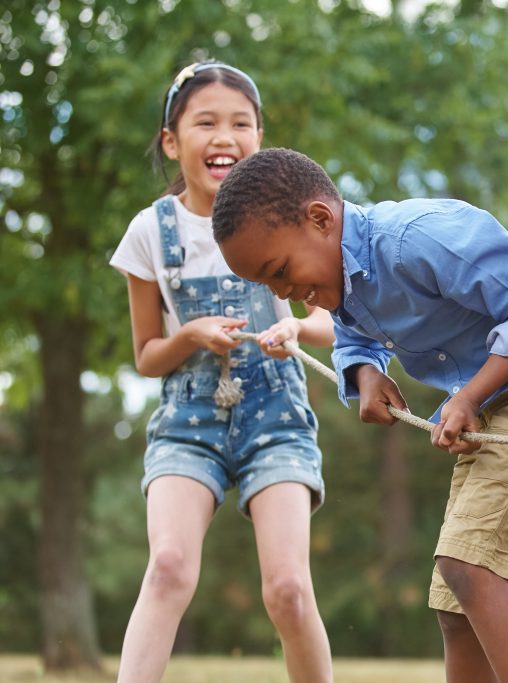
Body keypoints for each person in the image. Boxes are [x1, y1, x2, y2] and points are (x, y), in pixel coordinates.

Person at [211, 146, 508, 683]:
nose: (286, 293)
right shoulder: (346, 279)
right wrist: (364, 375)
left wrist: (469, 395)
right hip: (498, 407)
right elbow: (353, 335)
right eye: (271, 287)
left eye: (281, 271)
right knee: (456, 599)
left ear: (320, 219)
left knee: (470, 567)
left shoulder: (417, 237)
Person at [109, 62, 334, 683]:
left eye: (241, 123)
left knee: (287, 588)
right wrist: (188, 334)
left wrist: (295, 326)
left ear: (260, 137)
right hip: (188, 419)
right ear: (172, 141)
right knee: (170, 568)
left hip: (278, 416)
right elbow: (146, 355)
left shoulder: (292, 217)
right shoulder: (149, 233)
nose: (224, 137)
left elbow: (331, 324)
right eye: (205, 122)